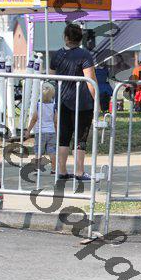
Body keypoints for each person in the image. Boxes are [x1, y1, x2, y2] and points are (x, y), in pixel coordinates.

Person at [49, 23, 97, 181]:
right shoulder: (84, 55)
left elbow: (51, 77)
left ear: (65, 37)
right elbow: (90, 80)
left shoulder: (57, 55)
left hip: (63, 101)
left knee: (63, 137)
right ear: (80, 38)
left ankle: (62, 171)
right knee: (80, 138)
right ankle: (79, 172)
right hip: (82, 102)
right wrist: (97, 101)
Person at [25, 83, 57, 173]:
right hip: (51, 131)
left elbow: (34, 119)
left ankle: (37, 168)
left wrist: (28, 130)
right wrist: (56, 131)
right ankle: (53, 169)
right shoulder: (54, 106)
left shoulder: (38, 106)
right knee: (52, 151)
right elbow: (55, 121)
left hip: (40, 132)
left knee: (38, 151)